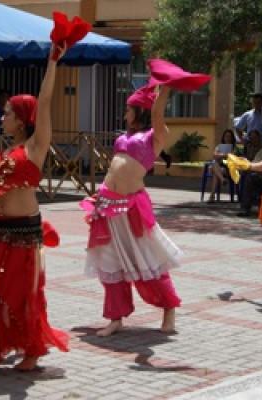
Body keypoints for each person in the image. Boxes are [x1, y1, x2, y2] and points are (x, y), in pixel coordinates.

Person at [0, 44, 69, 379]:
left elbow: (45, 101)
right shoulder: (7, 150)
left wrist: (52, 60)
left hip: (22, 233)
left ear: (22, 120)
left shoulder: (34, 147)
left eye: (7, 113)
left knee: (19, 296)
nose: (1, 117)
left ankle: (32, 350)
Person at [80, 83, 182, 337]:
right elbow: (115, 169)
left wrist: (165, 88)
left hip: (132, 208)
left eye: (128, 110)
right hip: (107, 205)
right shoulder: (122, 138)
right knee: (110, 261)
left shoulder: (154, 137)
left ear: (139, 112)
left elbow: (158, 114)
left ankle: (169, 308)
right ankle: (116, 318)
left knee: (147, 259)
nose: (125, 115)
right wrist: (100, 194)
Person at [207, 129, 237, 203]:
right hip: (219, 168)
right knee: (214, 164)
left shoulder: (234, 148)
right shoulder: (219, 146)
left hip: (228, 169)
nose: (227, 138)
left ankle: (212, 196)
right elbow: (214, 155)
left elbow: (233, 158)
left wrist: (221, 156)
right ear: (223, 137)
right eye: (226, 136)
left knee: (215, 172)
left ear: (232, 138)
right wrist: (224, 155)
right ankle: (222, 180)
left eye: (229, 136)